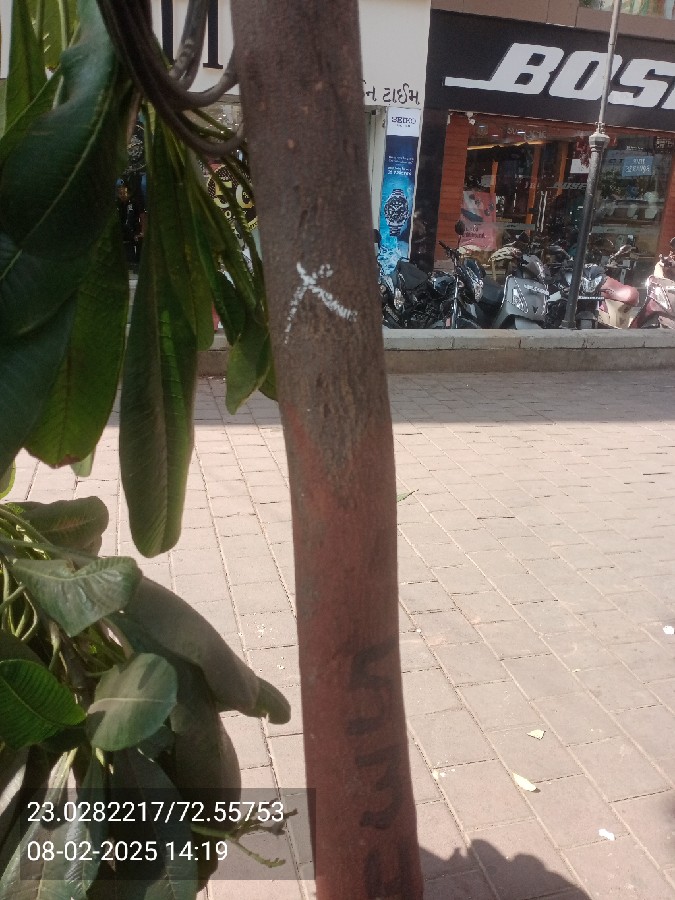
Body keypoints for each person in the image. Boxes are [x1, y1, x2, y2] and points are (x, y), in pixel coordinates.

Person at [116, 180, 145, 269]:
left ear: (128, 193)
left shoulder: (133, 203)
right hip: (123, 232)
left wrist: (142, 231)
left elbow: (142, 215)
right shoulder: (118, 205)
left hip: (134, 231)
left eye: (124, 193)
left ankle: (137, 263)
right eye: (120, 193)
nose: (122, 195)